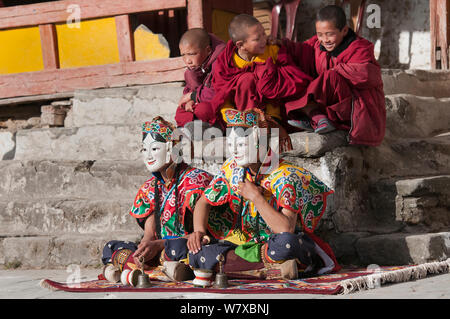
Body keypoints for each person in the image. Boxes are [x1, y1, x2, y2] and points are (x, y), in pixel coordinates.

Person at [164, 108, 340, 280]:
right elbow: (203, 202)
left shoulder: (286, 176)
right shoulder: (233, 169)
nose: (234, 151)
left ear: (260, 142)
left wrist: (257, 198)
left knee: (287, 245)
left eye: (240, 145)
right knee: (184, 246)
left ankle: (207, 266)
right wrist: (199, 232)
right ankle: (269, 271)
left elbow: (285, 229)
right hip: (241, 242)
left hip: (273, 245)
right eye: (231, 145)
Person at [101, 117, 214, 279]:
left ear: (171, 150)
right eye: (144, 150)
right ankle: (151, 268)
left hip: (188, 246)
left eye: (154, 149)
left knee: (182, 249)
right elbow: (149, 235)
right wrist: (144, 250)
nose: (148, 156)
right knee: (111, 246)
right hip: (159, 249)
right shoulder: (149, 188)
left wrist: (161, 245)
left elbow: (200, 235)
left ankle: (137, 271)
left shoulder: (195, 181)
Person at [286, 5, 385, 145]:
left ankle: (315, 115)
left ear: (344, 30)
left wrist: (336, 71)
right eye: (320, 34)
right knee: (290, 74)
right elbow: (300, 50)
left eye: (330, 34)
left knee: (330, 77)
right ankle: (318, 117)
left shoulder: (360, 48)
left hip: (355, 108)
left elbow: (368, 74)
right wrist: (280, 45)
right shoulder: (317, 44)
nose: (324, 40)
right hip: (331, 103)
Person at [209, 14, 315, 131]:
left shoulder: (272, 50)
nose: (264, 40)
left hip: (274, 111)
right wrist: (230, 115)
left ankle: (273, 121)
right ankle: (248, 123)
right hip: (242, 112)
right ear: (240, 45)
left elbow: (290, 75)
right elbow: (222, 94)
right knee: (247, 79)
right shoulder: (226, 62)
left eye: (264, 34)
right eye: (257, 39)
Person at [175, 28, 226, 132]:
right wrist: (189, 101)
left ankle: (214, 128)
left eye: (192, 54)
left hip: (218, 104)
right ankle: (190, 128)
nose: (187, 60)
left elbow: (215, 92)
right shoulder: (193, 67)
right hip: (199, 100)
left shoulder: (221, 62)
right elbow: (189, 87)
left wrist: (192, 96)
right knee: (181, 110)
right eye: (183, 55)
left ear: (208, 50)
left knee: (203, 110)